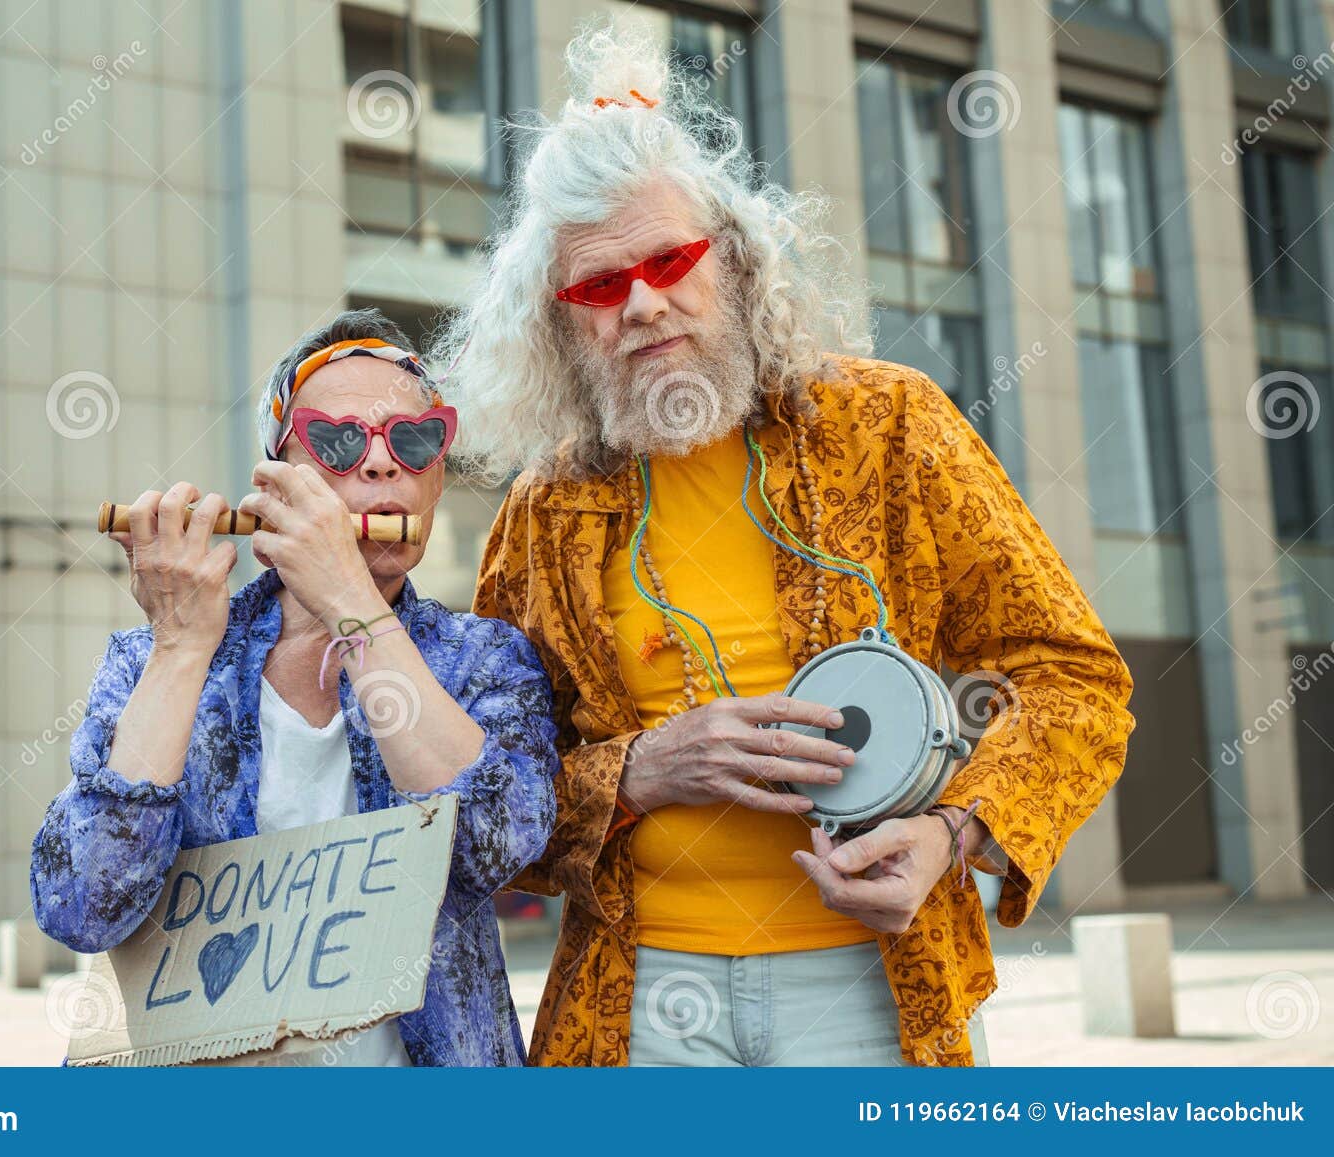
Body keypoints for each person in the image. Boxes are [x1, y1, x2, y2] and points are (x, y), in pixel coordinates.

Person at [437, 23, 1136, 1067]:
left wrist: (955, 832)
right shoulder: (544, 510)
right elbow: (488, 789)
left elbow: (1076, 679)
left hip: (875, 983)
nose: (641, 303)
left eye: (669, 258)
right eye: (596, 287)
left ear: (734, 253)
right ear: (558, 320)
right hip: (636, 998)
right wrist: (637, 771)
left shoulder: (892, 426)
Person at [30, 308, 559, 1066]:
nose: (381, 467)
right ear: (276, 478)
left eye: (413, 441)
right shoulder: (146, 661)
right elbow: (82, 901)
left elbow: (494, 844)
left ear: (437, 474)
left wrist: (353, 605)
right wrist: (180, 649)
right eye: (339, 441)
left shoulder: (484, 659)